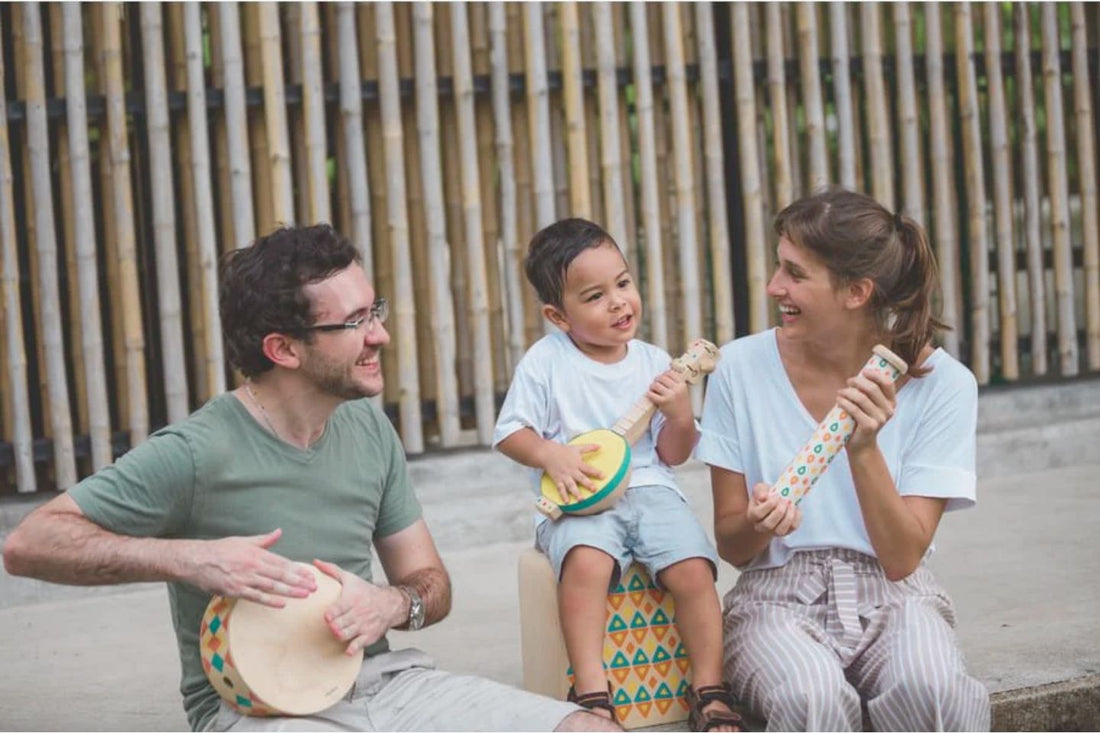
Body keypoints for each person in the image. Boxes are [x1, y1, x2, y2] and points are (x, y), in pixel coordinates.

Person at [3, 224, 619, 733]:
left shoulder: (369, 431)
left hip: (384, 686)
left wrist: (391, 604)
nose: (380, 333)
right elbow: (29, 544)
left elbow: (430, 584)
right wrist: (191, 559)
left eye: (372, 310)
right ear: (284, 349)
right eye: (354, 322)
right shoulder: (195, 450)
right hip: (255, 711)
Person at [697, 188, 991, 731]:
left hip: (896, 594)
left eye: (795, 273)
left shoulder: (945, 385)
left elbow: (903, 557)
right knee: (810, 698)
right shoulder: (738, 368)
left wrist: (863, 448)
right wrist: (759, 525)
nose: (773, 287)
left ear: (856, 291)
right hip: (776, 598)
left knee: (935, 692)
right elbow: (733, 546)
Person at [493, 218, 743, 732]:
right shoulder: (546, 362)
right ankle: (591, 690)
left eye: (623, 284)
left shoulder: (654, 362)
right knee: (586, 565)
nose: (618, 302)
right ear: (557, 316)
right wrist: (549, 455)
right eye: (595, 296)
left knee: (694, 568)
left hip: (651, 489)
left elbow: (672, 456)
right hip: (578, 497)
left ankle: (710, 687)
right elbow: (509, 432)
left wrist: (678, 414)